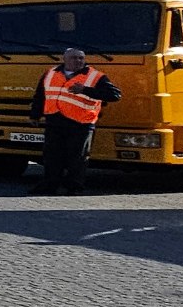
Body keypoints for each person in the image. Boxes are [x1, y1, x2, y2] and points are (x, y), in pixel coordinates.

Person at [32, 46, 121, 196]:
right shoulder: (51, 73)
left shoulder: (95, 76)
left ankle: (74, 187)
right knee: (52, 156)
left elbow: (115, 95)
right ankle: (50, 185)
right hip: (55, 121)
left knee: (77, 158)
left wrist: (85, 90)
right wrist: (35, 115)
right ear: (64, 59)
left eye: (81, 58)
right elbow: (40, 96)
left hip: (81, 123)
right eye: (74, 58)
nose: (78, 61)